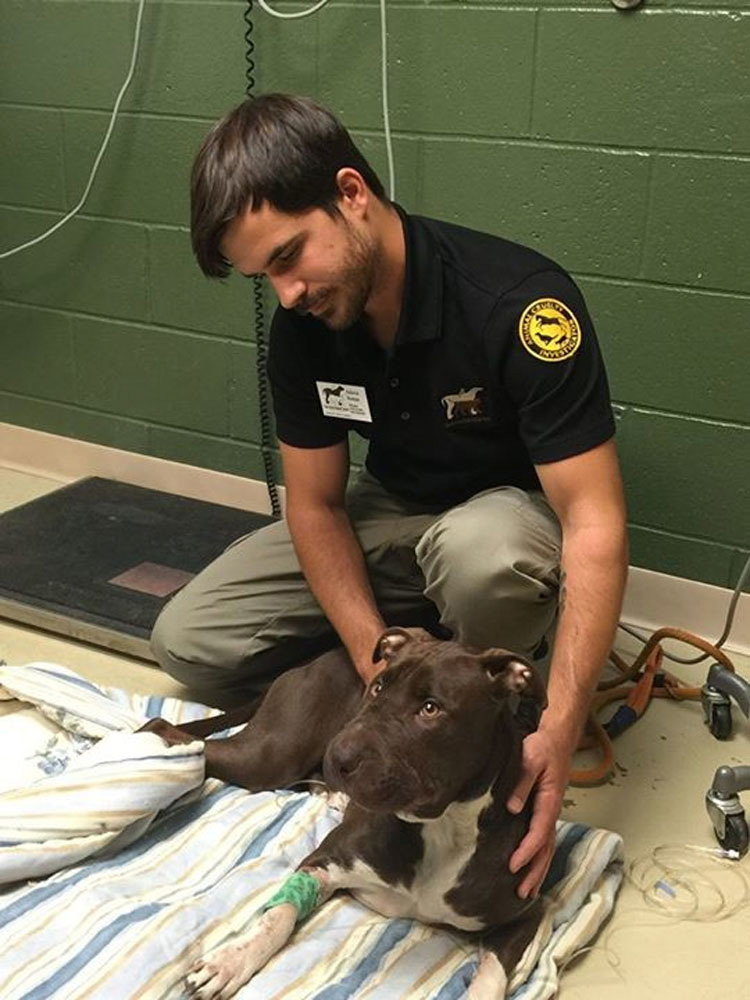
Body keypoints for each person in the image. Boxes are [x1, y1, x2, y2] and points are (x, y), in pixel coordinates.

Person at [151, 93, 629, 901]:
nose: (289, 290)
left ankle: (495, 691)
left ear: (351, 193)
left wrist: (555, 727)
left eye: (291, 256)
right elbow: (315, 506)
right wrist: (379, 660)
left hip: (499, 516)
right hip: (390, 511)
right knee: (188, 641)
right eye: (266, 275)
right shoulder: (303, 327)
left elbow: (593, 521)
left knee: (488, 561)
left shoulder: (518, 304)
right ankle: (417, 671)